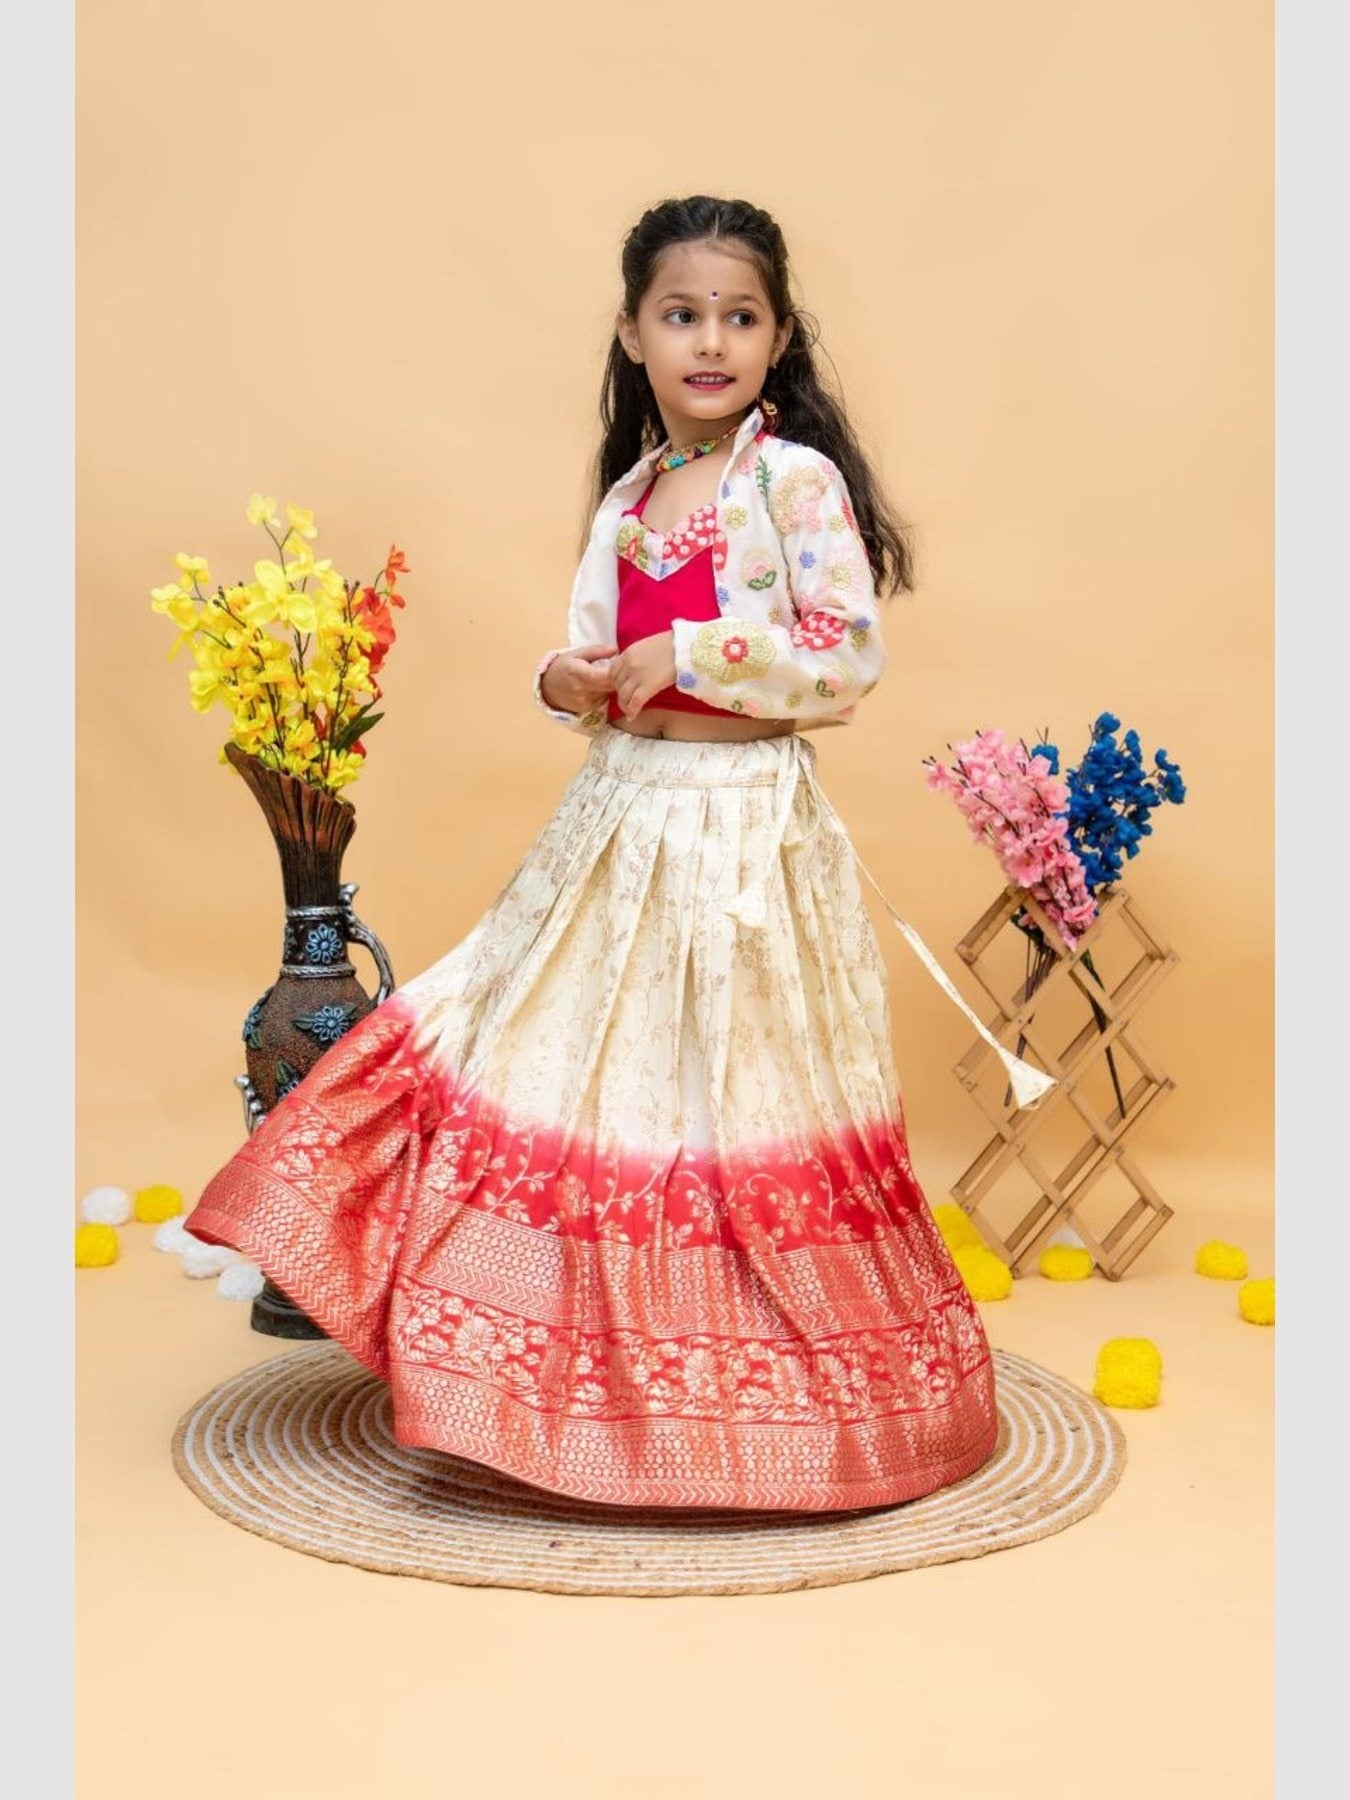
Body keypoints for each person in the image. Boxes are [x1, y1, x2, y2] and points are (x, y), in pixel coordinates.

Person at [187, 194, 1053, 1513]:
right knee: (558, 1061)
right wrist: (568, 673)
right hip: (619, 820)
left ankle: (752, 1404)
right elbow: (584, 649)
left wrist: (693, 653)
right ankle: (555, 1385)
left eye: (739, 315)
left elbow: (847, 658)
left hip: (742, 829)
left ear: (776, 336)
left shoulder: (788, 483)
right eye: (681, 314)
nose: (710, 340)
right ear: (634, 333)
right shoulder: (636, 493)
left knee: (728, 1094)